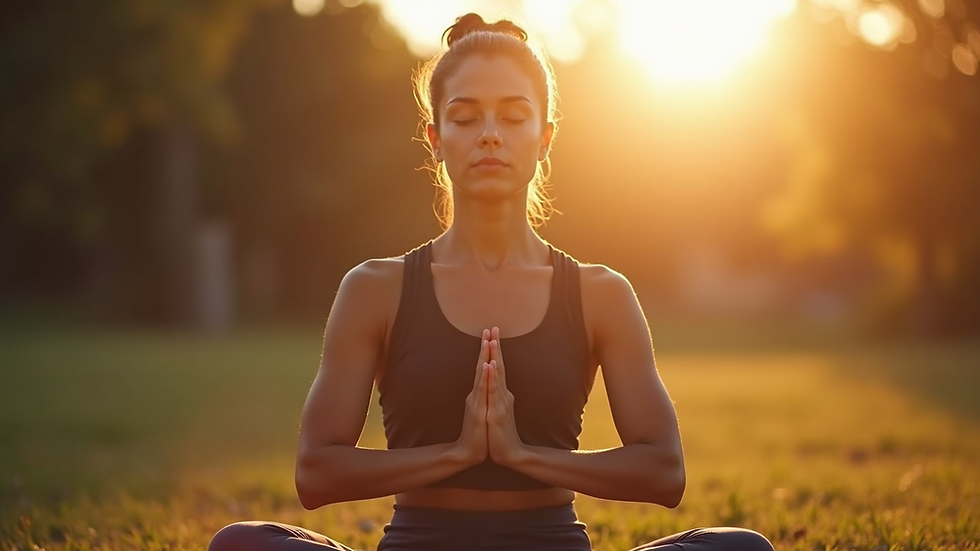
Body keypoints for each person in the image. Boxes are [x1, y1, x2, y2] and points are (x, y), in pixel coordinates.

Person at [209, 13, 774, 551]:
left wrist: (521, 455)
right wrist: (456, 454)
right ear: (435, 138)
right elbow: (317, 472)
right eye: (464, 118)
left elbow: (663, 471)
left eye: (512, 116)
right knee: (241, 544)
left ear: (545, 138)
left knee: (740, 548)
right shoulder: (375, 289)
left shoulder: (600, 294)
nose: (489, 135)